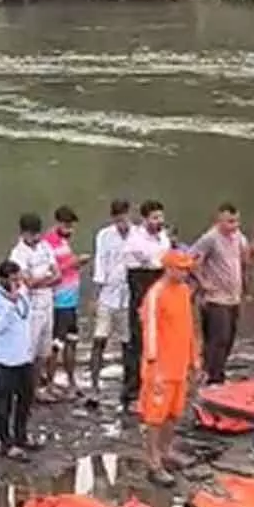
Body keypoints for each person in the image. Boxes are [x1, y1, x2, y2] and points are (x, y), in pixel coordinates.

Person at [139, 250, 201, 486]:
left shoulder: (184, 291)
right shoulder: (156, 294)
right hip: (161, 366)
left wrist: (194, 358)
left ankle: (166, 451)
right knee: (155, 416)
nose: (185, 273)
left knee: (174, 413)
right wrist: (153, 362)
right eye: (181, 268)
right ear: (168, 268)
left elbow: (188, 326)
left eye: (187, 269)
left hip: (179, 363)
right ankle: (153, 461)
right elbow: (149, 329)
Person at [191, 202, 250, 384]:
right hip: (215, 298)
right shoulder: (210, 238)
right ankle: (212, 376)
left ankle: (219, 372)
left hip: (233, 296)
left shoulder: (239, 237)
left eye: (236, 221)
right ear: (220, 220)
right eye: (230, 222)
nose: (234, 226)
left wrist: (246, 289)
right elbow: (192, 260)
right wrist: (203, 282)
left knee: (230, 337)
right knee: (219, 338)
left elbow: (244, 263)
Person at [0, 260, 38, 460]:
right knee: (4, 402)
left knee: (26, 399)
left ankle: (21, 435)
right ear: (2, 280)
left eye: (19, 277)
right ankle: (5, 443)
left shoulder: (23, 293)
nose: (17, 282)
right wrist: (10, 304)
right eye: (13, 279)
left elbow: (26, 318)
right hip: (3, 360)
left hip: (23, 357)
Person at [121, 200, 171, 409]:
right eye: (154, 218)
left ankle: (152, 387)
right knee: (139, 342)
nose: (159, 221)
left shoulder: (163, 237)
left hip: (159, 286)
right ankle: (132, 391)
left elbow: (165, 258)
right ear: (145, 219)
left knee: (158, 342)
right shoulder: (135, 238)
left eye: (160, 217)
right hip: (141, 286)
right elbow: (150, 260)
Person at [8, 213, 61, 403]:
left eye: (37, 233)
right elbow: (28, 281)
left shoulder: (45, 247)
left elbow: (58, 274)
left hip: (47, 302)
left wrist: (44, 280)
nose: (36, 237)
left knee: (43, 350)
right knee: (28, 350)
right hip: (29, 306)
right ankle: (26, 389)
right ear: (23, 233)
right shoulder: (18, 253)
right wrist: (45, 279)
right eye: (31, 234)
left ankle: (39, 386)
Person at [44, 205, 90, 397]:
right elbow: (50, 271)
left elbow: (68, 268)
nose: (70, 230)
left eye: (72, 226)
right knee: (56, 344)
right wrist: (74, 263)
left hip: (71, 300)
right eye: (67, 225)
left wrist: (76, 266)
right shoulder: (48, 243)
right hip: (58, 301)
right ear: (58, 223)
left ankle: (71, 381)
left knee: (72, 341)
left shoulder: (64, 242)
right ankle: (49, 383)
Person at [89, 199, 132, 401]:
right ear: (113, 218)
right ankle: (94, 386)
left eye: (125, 217)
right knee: (99, 339)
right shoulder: (104, 236)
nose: (122, 222)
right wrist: (95, 296)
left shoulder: (138, 235)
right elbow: (100, 264)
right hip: (108, 293)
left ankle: (128, 384)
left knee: (127, 342)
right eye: (118, 218)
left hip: (129, 295)